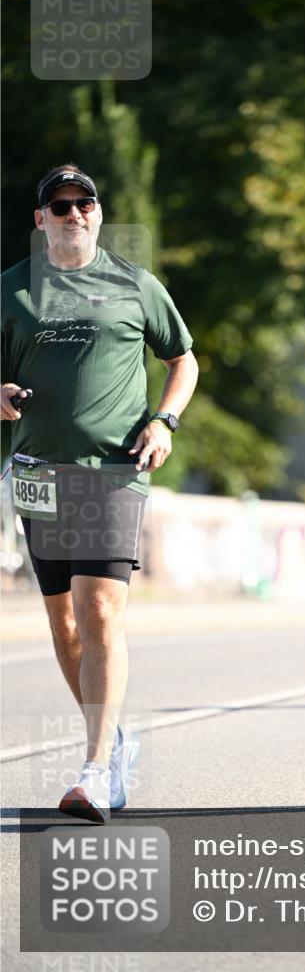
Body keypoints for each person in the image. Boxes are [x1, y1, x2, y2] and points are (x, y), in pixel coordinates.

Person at [1, 163, 199, 823]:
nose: (73, 215)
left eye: (83, 204)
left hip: (113, 470)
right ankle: (113, 738)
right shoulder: (12, 290)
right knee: (63, 621)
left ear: (99, 213)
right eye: (59, 206)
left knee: (100, 611)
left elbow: (182, 359)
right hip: (39, 473)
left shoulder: (134, 284)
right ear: (41, 220)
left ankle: (93, 769)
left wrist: (164, 421)